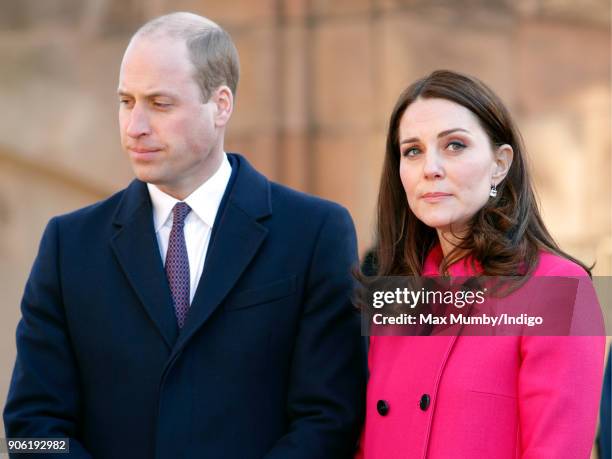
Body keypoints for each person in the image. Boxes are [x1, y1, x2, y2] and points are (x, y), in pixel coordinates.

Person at [3, 12, 366, 459]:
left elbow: (330, 418)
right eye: (126, 101)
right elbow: (28, 428)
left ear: (221, 105)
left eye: (159, 103)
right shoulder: (67, 244)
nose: (135, 126)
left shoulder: (314, 232)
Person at [356, 70, 605, 458]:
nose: (430, 168)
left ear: (500, 164)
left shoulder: (558, 290)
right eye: (412, 150)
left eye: (454, 145)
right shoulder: (394, 296)